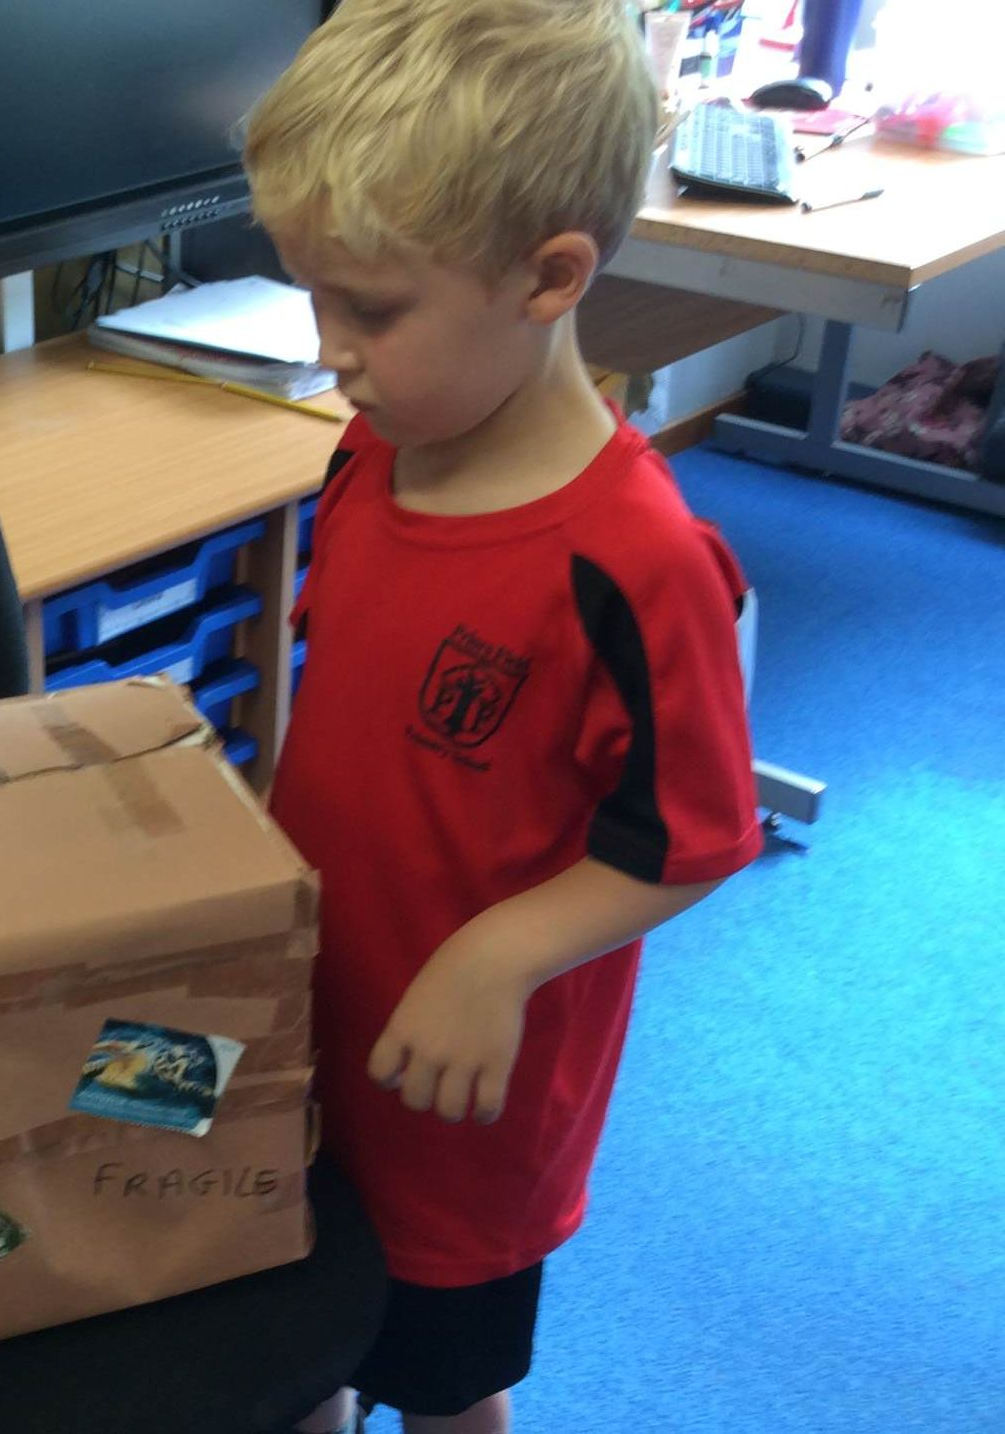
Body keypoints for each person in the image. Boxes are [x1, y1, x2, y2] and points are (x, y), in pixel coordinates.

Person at [243, 3, 765, 1430]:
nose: (331, 353)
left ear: (550, 277)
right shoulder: (370, 458)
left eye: (370, 310)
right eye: (313, 298)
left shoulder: (637, 564)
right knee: (295, 1341)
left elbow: (695, 836)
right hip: (308, 1028)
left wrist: (496, 955)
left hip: (461, 1098)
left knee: (440, 1380)